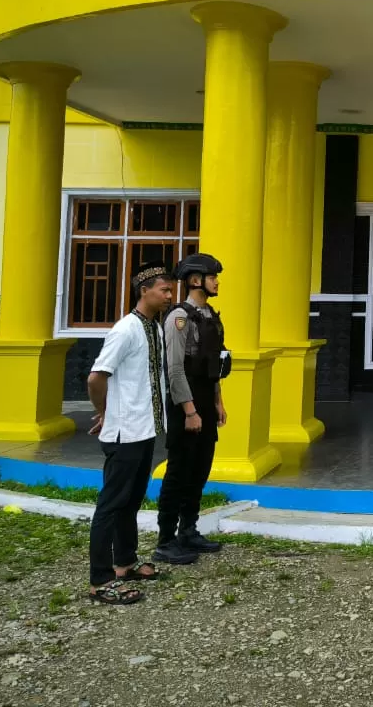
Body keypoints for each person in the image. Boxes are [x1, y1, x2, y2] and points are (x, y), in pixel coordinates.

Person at [85, 262, 174, 604]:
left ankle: (124, 562)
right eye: (164, 290)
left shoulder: (154, 328)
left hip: (145, 429)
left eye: (170, 290)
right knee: (111, 505)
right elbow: (97, 377)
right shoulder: (125, 330)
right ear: (144, 291)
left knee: (131, 502)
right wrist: (105, 412)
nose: (169, 296)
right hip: (124, 432)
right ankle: (100, 580)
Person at [154, 252, 230, 564]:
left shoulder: (210, 315)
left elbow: (214, 363)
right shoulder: (179, 318)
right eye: (212, 276)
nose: (216, 281)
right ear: (196, 280)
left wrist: (217, 402)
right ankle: (165, 539)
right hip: (185, 405)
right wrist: (190, 411)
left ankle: (189, 529)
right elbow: (174, 370)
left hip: (204, 402)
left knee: (200, 469)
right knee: (179, 471)